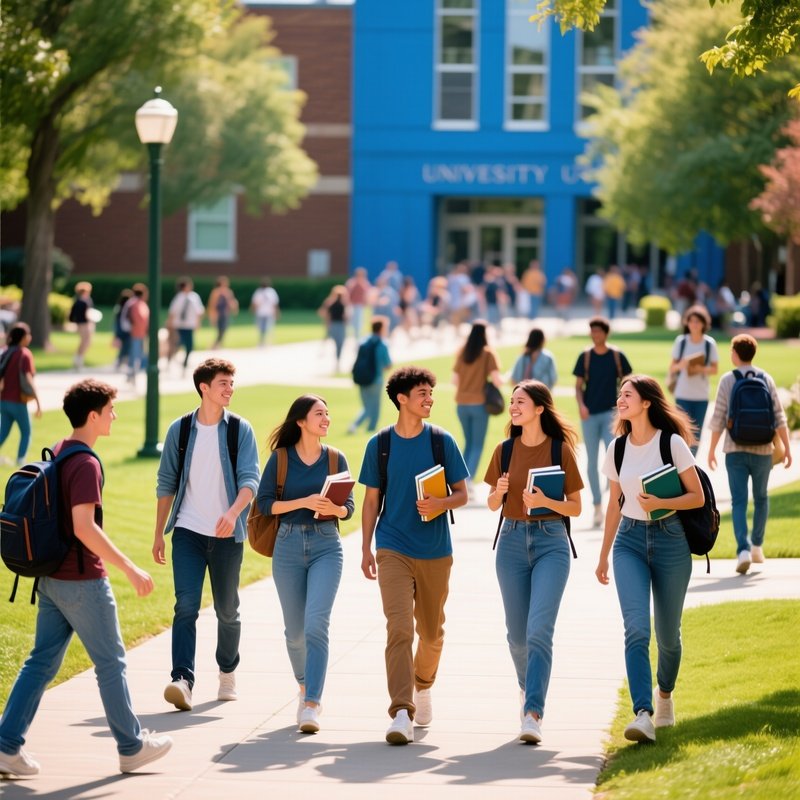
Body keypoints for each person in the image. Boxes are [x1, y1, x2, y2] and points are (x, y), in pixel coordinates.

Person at [0, 380, 173, 777]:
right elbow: (84, 527)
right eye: (111, 409)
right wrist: (129, 568)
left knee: (40, 662)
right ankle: (131, 747)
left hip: (50, 578)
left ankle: (6, 745)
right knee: (111, 663)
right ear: (93, 415)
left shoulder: (61, 450)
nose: (115, 415)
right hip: (81, 580)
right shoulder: (86, 463)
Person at [358, 367, 469, 744]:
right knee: (400, 628)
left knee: (432, 633)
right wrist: (366, 547)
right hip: (393, 546)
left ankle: (423, 685)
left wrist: (442, 502)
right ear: (402, 398)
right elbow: (372, 500)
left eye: (431, 393)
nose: (429, 399)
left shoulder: (442, 441)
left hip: (436, 550)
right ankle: (401, 711)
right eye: (422, 393)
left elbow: (462, 494)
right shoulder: (380, 444)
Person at [595, 375, 704, 743]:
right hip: (628, 542)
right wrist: (603, 556)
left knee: (668, 637)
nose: (620, 400)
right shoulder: (618, 448)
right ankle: (642, 712)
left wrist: (661, 503)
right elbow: (614, 505)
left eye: (628, 395)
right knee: (637, 628)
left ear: (646, 403)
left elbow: (697, 497)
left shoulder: (671, 443)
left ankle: (665, 694)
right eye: (620, 394)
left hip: (671, 541)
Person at [152, 358, 260, 711]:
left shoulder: (239, 430)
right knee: (186, 605)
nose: (230, 389)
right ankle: (182, 678)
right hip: (188, 531)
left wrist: (232, 513)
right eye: (223, 384)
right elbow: (166, 483)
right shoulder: (180, 430)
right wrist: (158, 534)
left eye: (232, 383)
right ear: (204, 388)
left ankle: (227, 671)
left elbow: (250, 480)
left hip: (227, 536)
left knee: (227, 609)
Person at [484, 380, 583, 744]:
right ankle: (528, 689)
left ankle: (533, 712)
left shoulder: (560, 450)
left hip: (551, 542)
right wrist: (500, 492)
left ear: (540, 408)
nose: (513, 406)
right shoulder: (504, 451)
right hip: (510, 541)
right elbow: (493, 504)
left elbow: (575, 507)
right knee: (517, 635)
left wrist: (544, 500)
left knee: (540, 629)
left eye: (520, 401)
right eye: (512, 402)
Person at [256, 394, 354, 734]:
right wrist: (303, 501)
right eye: (319, 414)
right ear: (301, 421)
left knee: (316, 624)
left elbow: (349, 508)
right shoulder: (280, 458)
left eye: (328, 413)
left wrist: (335, 510)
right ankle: (303, 684)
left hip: (327, 544)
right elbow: (265, 504)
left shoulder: (336, 459)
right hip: (287, 545)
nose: (326, 419)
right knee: (295, 633)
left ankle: (312, 702)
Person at [707, 334, 791, 574]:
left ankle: (742, 549)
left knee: (739, 501)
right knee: (761, 498)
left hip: (735, 450)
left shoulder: (727, 380)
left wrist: (712, 449)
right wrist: (786, 449)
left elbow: (718, 418)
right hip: (764, 449)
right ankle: (757, 546)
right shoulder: (766, 378)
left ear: (735, 353)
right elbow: (779, 417)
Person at [573, 317, 633, 527]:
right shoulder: (585, 356)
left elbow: (630, 385)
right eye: (592, 332)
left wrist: (624, 409)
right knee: (591, 461)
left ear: (606, 333)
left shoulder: (617, 356)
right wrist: (581, 405)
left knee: (614, 459)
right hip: (589, 415)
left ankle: (614, 501)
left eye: (598, 331)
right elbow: (578, 386)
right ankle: (597, 506)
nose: (595, 335)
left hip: (612, 415)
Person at [452, 320, 504, 485]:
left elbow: (454, 380)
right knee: (477, 445)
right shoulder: (487, 353)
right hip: (479, 404)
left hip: (461, 403)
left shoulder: (462, 352)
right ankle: (468, 480)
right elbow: (497, 381)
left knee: (467, 443)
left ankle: (458, 479)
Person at [667, 305, 719, 456]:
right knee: (681, 432)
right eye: (691, 321)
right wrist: (682, 365)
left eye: (698, 321)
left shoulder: (709, 344)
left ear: (704, 324)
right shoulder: (681, 342)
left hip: (701, 396)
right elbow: (672, 368)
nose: (694, 324)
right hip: (682, 394)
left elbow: (715, 369)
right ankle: (681, 463)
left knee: (696, 434)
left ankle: (691, 464)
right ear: (687, 323)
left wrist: (700, 369)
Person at [0, 322, 42, 466]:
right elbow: (29, 379)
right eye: (28, 335)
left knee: (3, 432)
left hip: (3, 401)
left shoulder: (5, 352)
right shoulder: (24, 354)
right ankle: (20, 460)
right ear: (23, 337)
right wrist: (38, 402)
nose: (30, 337)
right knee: (26, 432)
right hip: (18, 401)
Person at [349, 316, 393, 434]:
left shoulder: (363, 341)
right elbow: (388, 364)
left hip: (362, 377)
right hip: (376, 379)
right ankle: (368, 428)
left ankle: (356, 426)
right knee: (374, 407)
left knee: (366, 406)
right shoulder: (382, 344)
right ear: (382, 328)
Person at [167, 278, 205, 373]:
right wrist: (170, 324)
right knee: (176, 344)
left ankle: (185, 363)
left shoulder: (194, 297)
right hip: (179, 326)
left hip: (189, 326)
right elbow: (172, 312)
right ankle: (169, 361)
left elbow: (199, 312)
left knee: (189, 346)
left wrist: (198, 323)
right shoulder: (178, 298)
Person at [319, 285, 350, 371]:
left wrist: (327, 324)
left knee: (335, 342)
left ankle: (332, 357)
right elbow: (345, 317)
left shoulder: (331, 303)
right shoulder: (338, 304)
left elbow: (326, 315)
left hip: (334, 325)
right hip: (338, 325)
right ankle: (337, 360)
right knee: (339, 343)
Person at [68, 281, 95, 371]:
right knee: (84, 341)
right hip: (83, 324)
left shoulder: (83, 301)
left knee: (86, 342)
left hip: (84, 323)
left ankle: (79, 359)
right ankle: (78, 360)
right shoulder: (82, 302)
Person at [126, 283, 149, 385]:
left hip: (140, 333)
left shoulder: (137, 303)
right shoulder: (135, 304)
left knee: (136, 355)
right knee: (136, 356)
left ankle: (131, 375)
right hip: (136, 333)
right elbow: (137, 319)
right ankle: (132, 376)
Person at [207, 276, 239, 349]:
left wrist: (234, 308)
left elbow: (231, 302)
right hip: (218, 314)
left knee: (224, 329)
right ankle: (215, 345)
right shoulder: (216, 292)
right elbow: (212, 304)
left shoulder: (228, 292)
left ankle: (218, 344)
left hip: (225, 314)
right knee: (220, 330)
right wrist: (212, 316)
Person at [250, 278, 280, 347]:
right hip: (264, 313)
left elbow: (254, 303)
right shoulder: (269, 292)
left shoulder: (263, 292)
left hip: (264, 313)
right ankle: (263, 341)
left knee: (265, 328)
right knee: (264, 328)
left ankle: (264, 341)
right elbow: (275, 304)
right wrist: (277, 312)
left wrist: (253, 309)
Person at [346, 267, 372, 340]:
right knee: (350, 322)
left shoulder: (365, 283)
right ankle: (350, 336)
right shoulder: (351, 282)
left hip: (359, 305)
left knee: (358, 322)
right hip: (352, 304)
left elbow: (367, 294)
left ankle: (357, 338)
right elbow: (348, 293)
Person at [112, 288, 134, 371]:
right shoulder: (127, 308)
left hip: (120, 330)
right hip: (126, 330)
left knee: (124, 347)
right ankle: (121, 362)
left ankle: (120, 362)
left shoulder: (118, 307)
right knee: (126, 346)